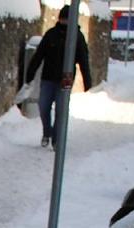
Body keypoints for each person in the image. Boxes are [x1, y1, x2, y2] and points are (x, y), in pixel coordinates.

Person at [24, 6, 94, 148]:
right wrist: (30, 73)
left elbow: (83, 60)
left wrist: (87, 81)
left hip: (65, 80)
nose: (65, 22)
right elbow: (39, 55)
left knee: (61, 110)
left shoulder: (77, 37)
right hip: (48, 77)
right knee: (43, 106)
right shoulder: (51, 34)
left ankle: (56, 139)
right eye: (63, 19)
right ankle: (47, 132)